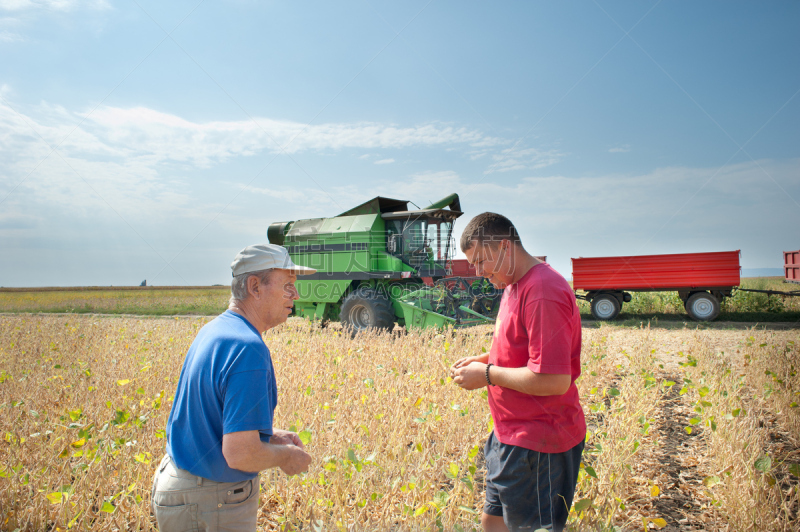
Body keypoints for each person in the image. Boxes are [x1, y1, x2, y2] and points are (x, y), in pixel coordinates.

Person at [151, 244, 315, 532]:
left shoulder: (216, 331)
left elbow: (211, 418)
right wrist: (287, 457)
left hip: (181, 485)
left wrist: (272, 436)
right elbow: (240, 454)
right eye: (288, 286)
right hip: (210, 500)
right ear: (254, 286)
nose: (296, 295)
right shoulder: (248, 348)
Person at [450, 213, 586, 532]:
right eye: (474, 265)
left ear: (504, 247)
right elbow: (521, 349)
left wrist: (486, 374)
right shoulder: (514, 284)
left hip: (538, 445)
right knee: (493, 523)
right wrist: (482, 359)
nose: (480, 272)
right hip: (511, 434)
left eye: (482, 261)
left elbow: (553, 380)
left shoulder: (541, 292)